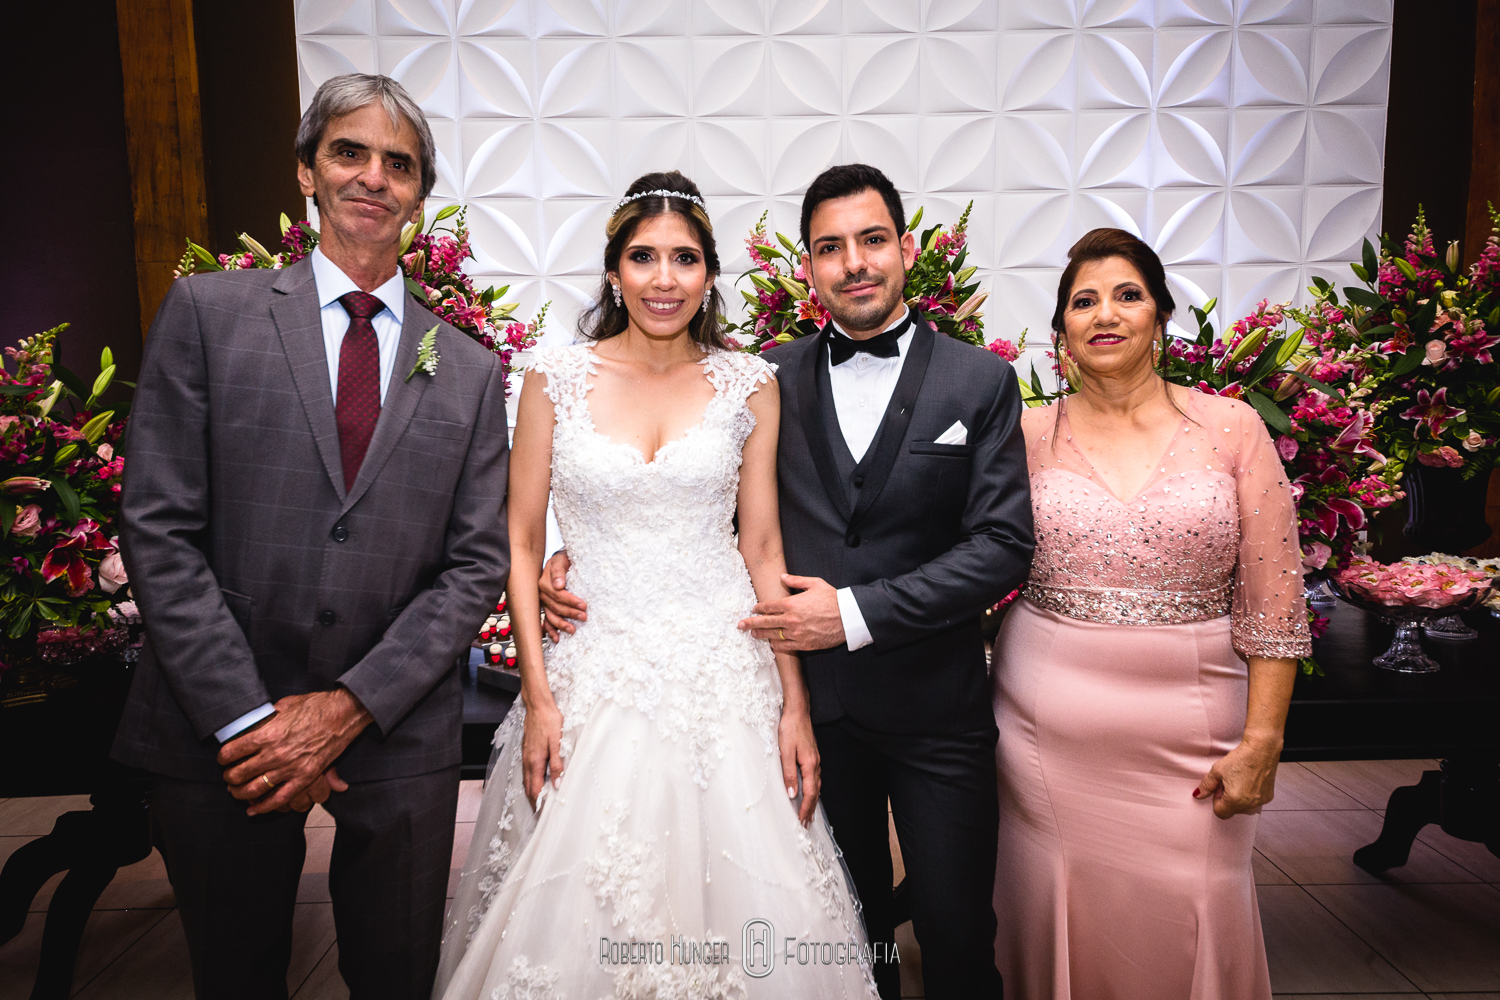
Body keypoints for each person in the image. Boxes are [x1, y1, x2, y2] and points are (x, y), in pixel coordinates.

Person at [541, 164, 1034, 999]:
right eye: (831, 247)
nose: (856, 263)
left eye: (873, 240)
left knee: (956, 934)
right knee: (846, 937)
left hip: (932, 709)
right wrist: (570, 554)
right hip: (804, 711)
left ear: (907, 249)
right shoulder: (761, 378)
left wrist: (853, 612)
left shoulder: (977, 382)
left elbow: (1001, 546)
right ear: (806, 266)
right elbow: (703, 508)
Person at [112, 74, 511, 999]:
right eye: (349, 152)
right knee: (238, 972)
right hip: (219, 726)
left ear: (420, 192)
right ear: (306, 172)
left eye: (399, 163)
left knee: (397, 974)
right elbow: (159, 527)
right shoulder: (209, 316)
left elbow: (475, 561)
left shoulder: (470, 369)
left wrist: (346, 708)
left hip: (394, 725)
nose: (373, 176)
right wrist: (252, 720)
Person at [433, 171, 878, 999]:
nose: (664, 279)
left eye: (684, 259)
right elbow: (521, 538)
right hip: (591, 668)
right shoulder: (550, 378)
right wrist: (536, 696)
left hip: (725, 670)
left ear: (709, 274)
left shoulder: (751, 383)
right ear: (613, 271)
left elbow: (762, 546)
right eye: (643, 258)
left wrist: (794, 705)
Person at [991, 228, 1311, 999]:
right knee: (1057, 903)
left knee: (1198, 903)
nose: (1106, 313)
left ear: (1161, 317)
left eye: (1127, 295)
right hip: (1047, 737)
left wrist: (1263, 739)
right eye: (1083, 300)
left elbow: (1275, 600)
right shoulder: (1027, 434)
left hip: (1197, 733)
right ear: (1060, 330)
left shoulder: (1232, 428)